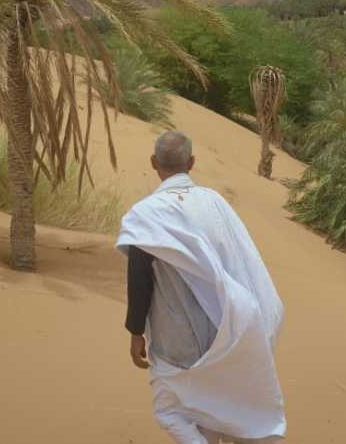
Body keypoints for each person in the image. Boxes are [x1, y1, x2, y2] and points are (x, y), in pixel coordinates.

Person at [117, 130, 286, 444]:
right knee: (218, 397)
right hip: (226, 325)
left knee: (170, 410)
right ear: (191, 162)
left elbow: (139, 276)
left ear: (153, 162)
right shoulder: (215, 203)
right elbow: (240, 257)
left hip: (176, 335)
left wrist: (136, 332)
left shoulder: (146, 214)